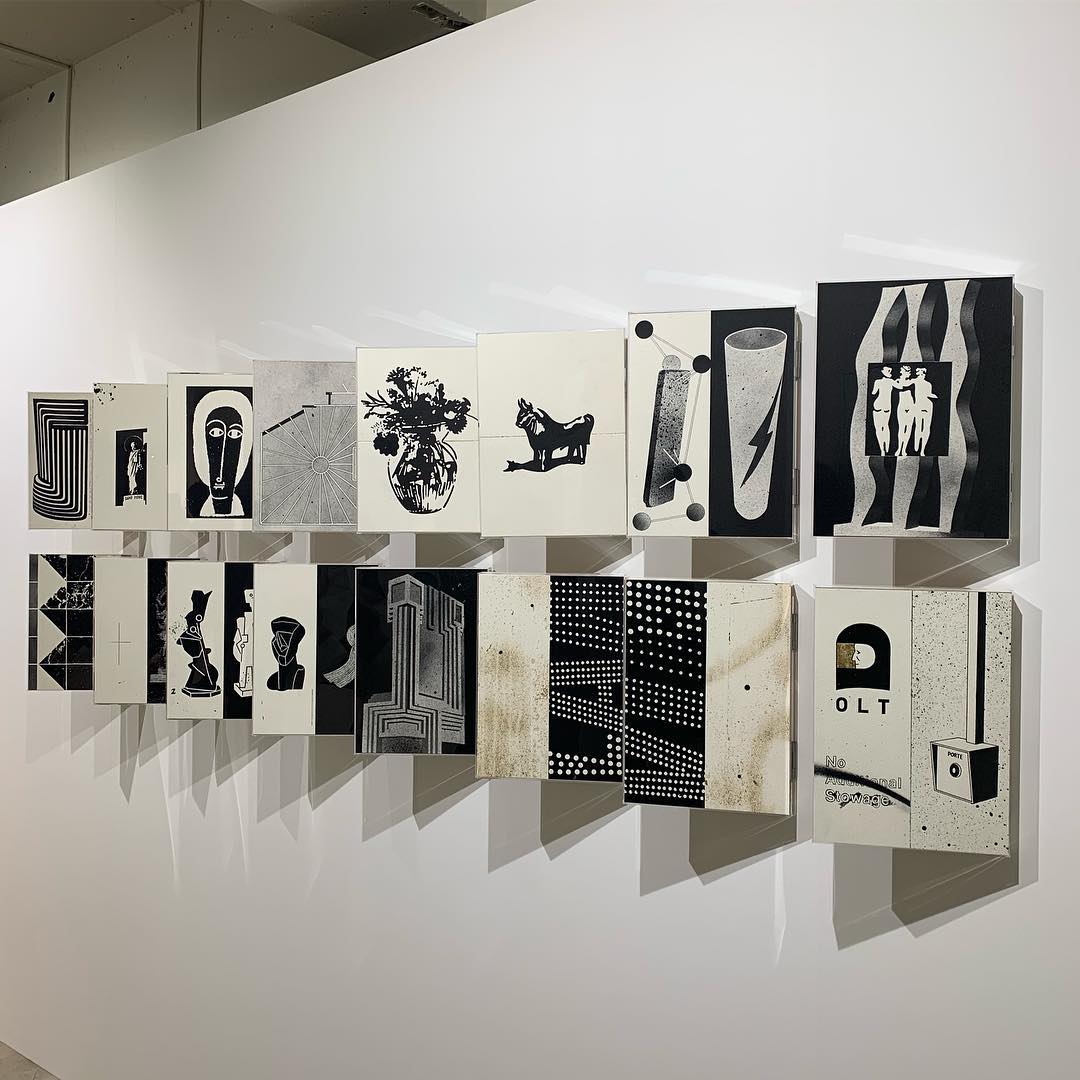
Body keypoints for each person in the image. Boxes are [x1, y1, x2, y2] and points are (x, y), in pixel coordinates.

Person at [870, 366, 897, 455]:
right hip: (886, 405)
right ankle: (886, 447)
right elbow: (901, 387)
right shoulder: (891, 382)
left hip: (878, 404)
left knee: (878, 428)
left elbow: (873, 392)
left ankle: (882, 449)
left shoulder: (878, 381)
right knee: (885, 426)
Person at [911, 367, 938, 455]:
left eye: (923, 373)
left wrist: (933, 396)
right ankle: (916, 447)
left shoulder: (928, 384)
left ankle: (922, 449)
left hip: (927, 405)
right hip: (918, 406)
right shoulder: (915, 381)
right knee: (918, 426)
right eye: (920, 373)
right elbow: (906, 383)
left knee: (926, 428)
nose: (922, 375)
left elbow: (929, 394)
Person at [894, 365, 916, 456]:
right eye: (907, 372)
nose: (909, 373)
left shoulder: (912, 381)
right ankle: (899, 448)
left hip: (911, 406)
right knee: (902, 428)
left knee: (908, 428)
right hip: (902, 406)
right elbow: (900, 387)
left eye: (909, 372)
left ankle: (904, 449)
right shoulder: (897, 381)